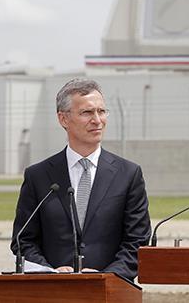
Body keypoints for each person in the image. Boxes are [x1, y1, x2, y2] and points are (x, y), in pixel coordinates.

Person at [11, 78, 151, 281]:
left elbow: (137, 241)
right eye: (87, 112)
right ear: (63, 119)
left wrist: (107, 276)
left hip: (110, 291)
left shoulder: (128, 174)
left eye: (101, 111)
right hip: (53, 291)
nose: (97, 120)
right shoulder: (38, 176)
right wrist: (50, 272)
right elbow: (23, 240)